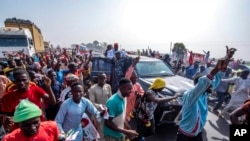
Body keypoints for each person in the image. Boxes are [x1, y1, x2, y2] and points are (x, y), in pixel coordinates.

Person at [176, 49, 234, 141]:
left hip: (197, 133)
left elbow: (217, 79)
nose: (213, 87)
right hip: (185, 135)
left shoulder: (204, 94)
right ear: (202, 87)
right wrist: (215, 70)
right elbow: (204, 83)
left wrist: (223, 66)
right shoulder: (190, 95)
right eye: (210, 85)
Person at [89, 72, 112, 140]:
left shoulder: (108, 86)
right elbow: (91, 102)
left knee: (107, 130)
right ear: (98, 79)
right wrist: (101, 107)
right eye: (101, 78)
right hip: (97, 113)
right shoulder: (92, 88)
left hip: (107, 112)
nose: (103, 80)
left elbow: (110, 99)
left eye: (104, 78)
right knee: (100, 131)